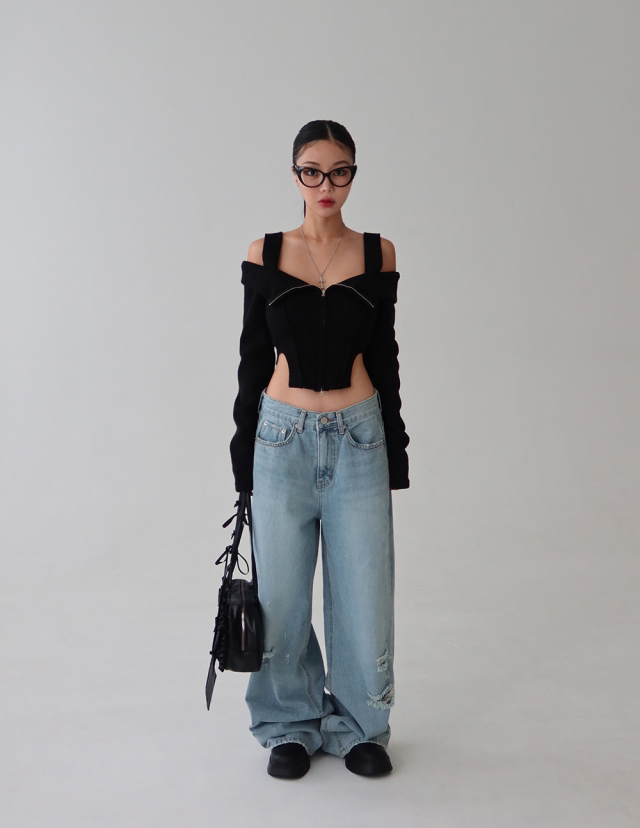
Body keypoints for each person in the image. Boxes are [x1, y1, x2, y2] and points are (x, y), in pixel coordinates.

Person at [229, 119, 410, 779]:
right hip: (281, 438)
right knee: (279, 596)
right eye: (312, 170)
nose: (325, 184)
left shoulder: (378, 252)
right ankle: (288, 724)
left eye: (339, 171)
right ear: (295, 175)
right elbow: (252, 359)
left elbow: (385, 357)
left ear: (353, 175)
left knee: (364, 593)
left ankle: (361, 727)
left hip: (359, 436)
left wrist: (396, 448)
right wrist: (242, 454)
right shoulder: (268, 251)